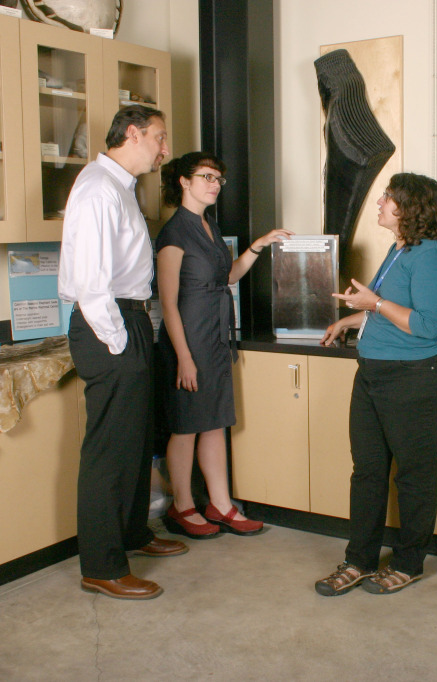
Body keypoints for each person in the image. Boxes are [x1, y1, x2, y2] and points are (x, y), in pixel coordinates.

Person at [58, 105, 188, 601]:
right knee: (109, 453)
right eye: (158, 137)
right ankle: (102, 565)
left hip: (129, 320)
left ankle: (133, 534)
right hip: (108, 325)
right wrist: (119, 345)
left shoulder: (120, 188)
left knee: (135, 443)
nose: (164, 149)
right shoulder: (96, 189)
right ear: (132, 134)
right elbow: (91, 285)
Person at [315, 172, 437, 596]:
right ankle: (359, 560)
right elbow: (388, 309)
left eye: (388, 197)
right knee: (368, 472)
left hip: (415, 378)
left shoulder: (429, 255)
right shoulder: (399, 250)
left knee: (414, 476)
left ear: (410, 209)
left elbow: (428, 325)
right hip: (374, 374)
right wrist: (353, 317)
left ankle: (409, 562)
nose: (379, 202)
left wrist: (372, 302)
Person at [156, 152, 293, 539]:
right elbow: (168, 302)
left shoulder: (210, 228)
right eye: (206, 176)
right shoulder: (174, 233)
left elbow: (228, 276)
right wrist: (184, 357)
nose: (214, 184)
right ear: (184, 181)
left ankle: (220, 503)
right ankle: (183, 507)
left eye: (218, 178)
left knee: (214, 422)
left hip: (215, 336)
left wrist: (259, 245)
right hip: (188, 340)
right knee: (185, 426)